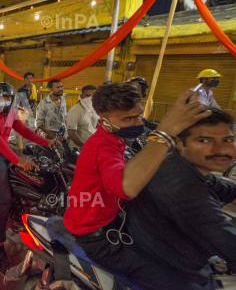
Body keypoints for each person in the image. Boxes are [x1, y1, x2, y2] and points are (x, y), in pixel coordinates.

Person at [61, 82, 211, 290]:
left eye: (139, 115)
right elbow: (127, 187)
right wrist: (165, 133)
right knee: (174, 282)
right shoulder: (102, 147)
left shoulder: (115, 139)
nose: (138, 122)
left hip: (115, 221)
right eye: (128, 119)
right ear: (104, 120)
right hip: (97, 239)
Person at [127, 107, 236, 289]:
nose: (221, 149)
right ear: (179, 142)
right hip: (170, 269)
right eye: (205, 140)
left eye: (228, 140)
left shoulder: (180, 164)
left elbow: (224, 188)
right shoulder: (182, 188)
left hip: (167, 253)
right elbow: (224, 238)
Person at [0, 82, 58, 274]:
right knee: (5, 199)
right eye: (1, 97)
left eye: (8, 97)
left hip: (6, 151)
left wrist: (48, 143)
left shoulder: (11, 113)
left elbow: (24, 131)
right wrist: (18, 160)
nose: (5, 100)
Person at [67, 85, 97, 150]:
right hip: (79, 148)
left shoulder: (95, 109)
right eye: (87, 96)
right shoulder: (75, 111)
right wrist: (87, 147)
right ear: (81, 96)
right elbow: (72, 135)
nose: (90, 99)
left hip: (94, 146)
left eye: (93, 96)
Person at [16, 72, 38, 149]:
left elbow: (33, 100)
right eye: (27, 78)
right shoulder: (21, 90)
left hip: (31, 111)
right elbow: (17, 103)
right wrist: (25, 109)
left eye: (30, 78)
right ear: (24, 80)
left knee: (32, 129)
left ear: (33, 79)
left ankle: (31, 146)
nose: (29, 80)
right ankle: (20, 147)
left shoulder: (34, 89)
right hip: (22, 111)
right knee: (21, 130)